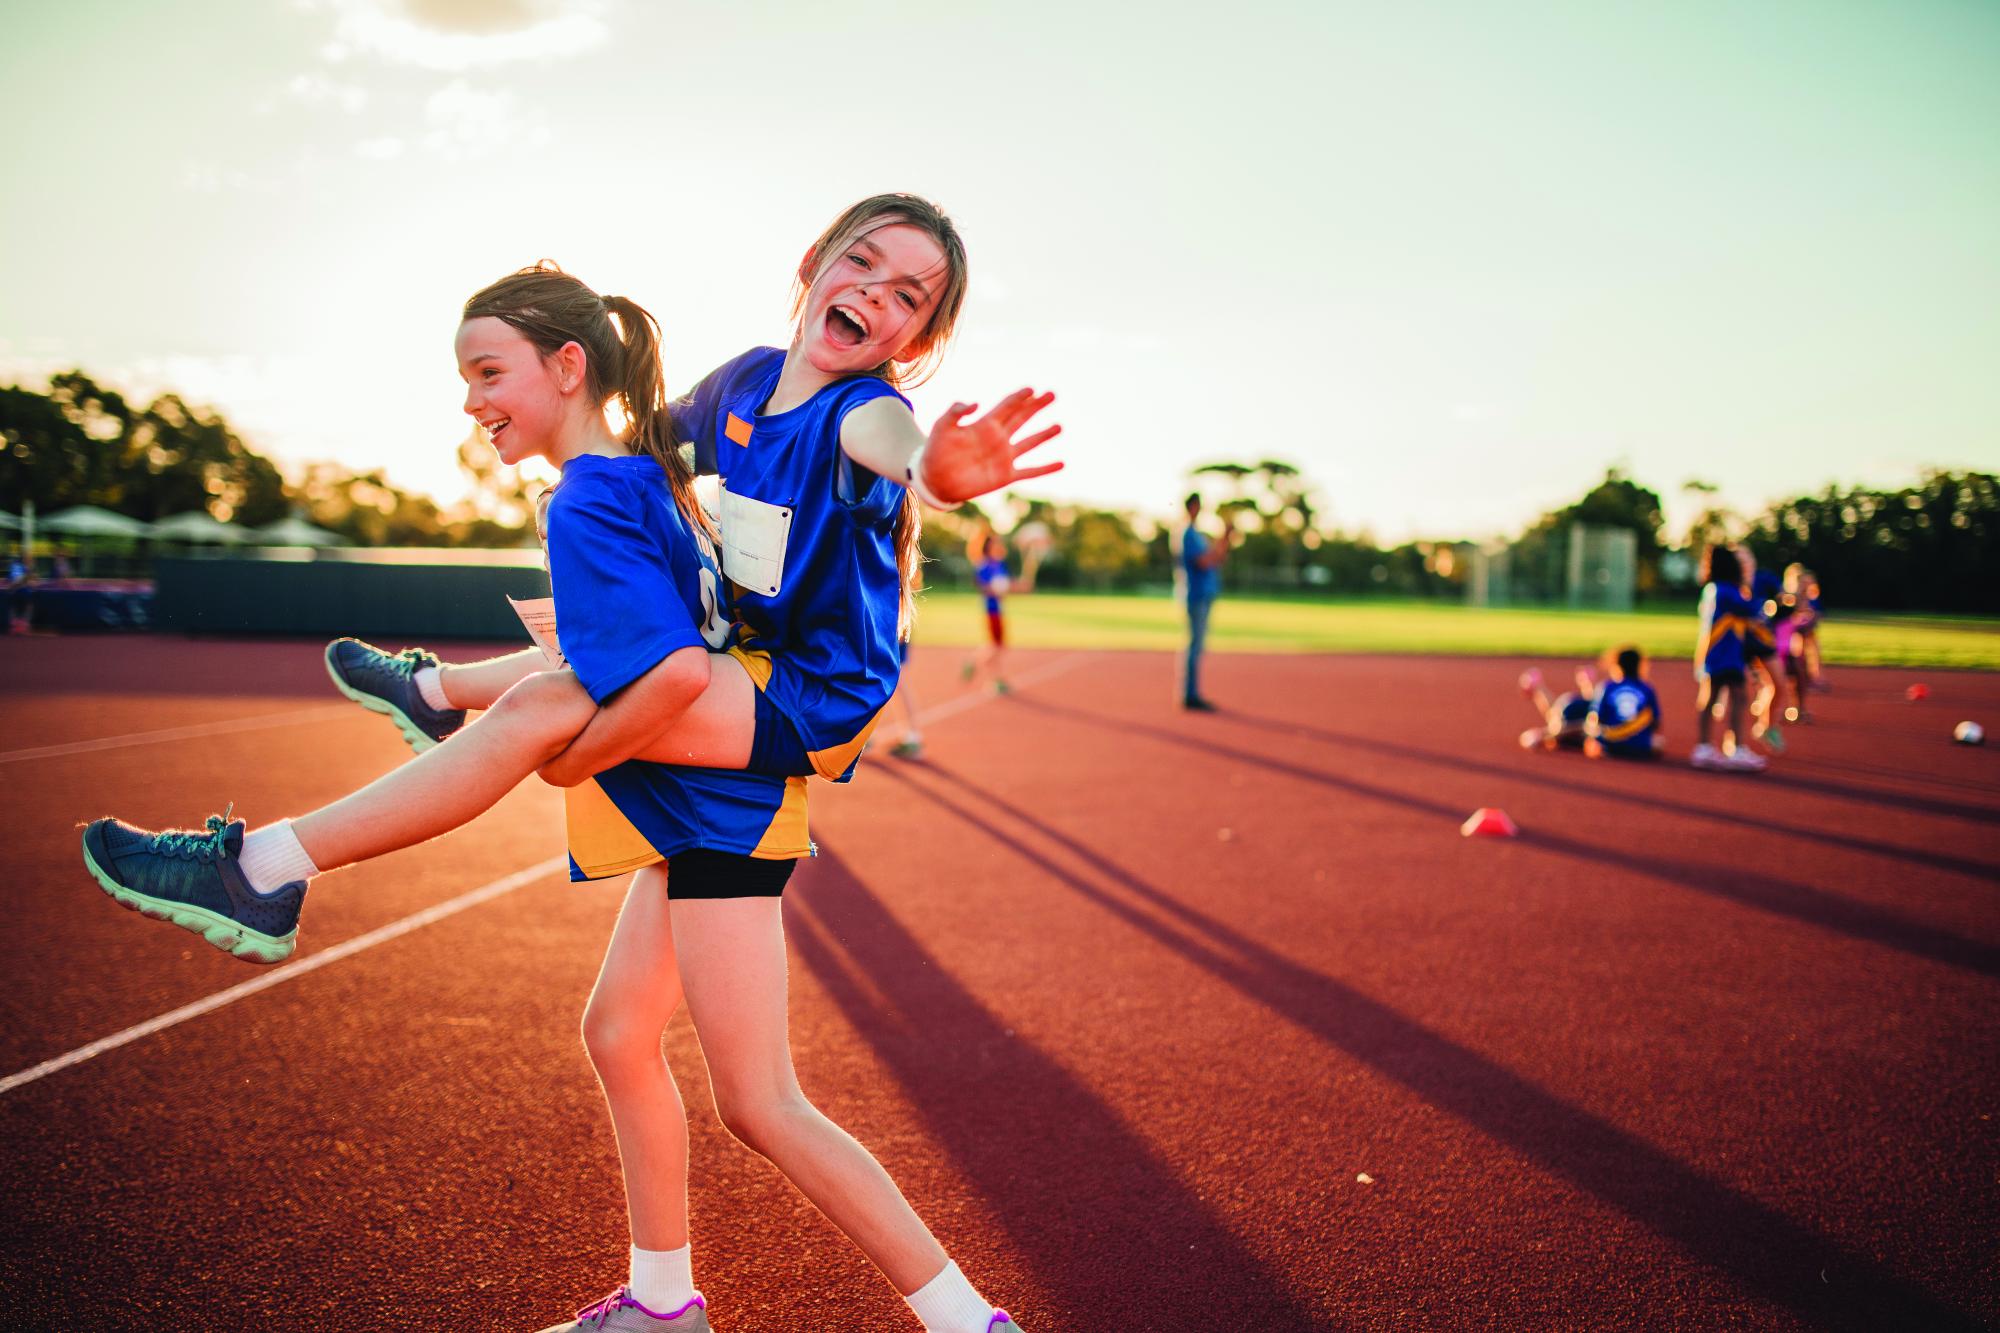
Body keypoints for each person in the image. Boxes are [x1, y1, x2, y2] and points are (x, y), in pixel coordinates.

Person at [89, 196, 1048, 1333]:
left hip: (802, 696)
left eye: (911, 298)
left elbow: (891, 450)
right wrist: (564, 430)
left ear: (918, 339)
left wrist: (938, 471)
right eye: (865, 264)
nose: (878, 298)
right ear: (813, 265)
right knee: (625, 1031)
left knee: (754, 1085)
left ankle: (272, 856)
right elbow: (645, 453)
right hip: (733, 705)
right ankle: (659, 1303)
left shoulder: (865, 414)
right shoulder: (739, 382)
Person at [1690, 544, 1765, 773]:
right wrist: (1749, 584)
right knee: (1738, 698)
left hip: (1714, 652)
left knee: (1710, 698)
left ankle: (1704, 746)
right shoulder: (1728, 590)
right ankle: (1737, 748)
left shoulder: (1712, 589)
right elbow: (1753, 610)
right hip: (1727, 654)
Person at [1174, 492, 1231, 711]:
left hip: (1204, 594)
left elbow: (1217, 559)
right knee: (1194, 645)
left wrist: (1225, 538)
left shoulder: (1198, 534)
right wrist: (1223, 538)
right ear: (1191, 507)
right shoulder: (1187, 533)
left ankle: (1192, 692)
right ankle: (1189, 694)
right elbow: (1205, 562)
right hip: (1195, 595)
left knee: (1198, 645)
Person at [961, 524, 1013, 694]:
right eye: (996, 543)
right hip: (991, 610)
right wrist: (996, 590)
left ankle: (995, 678)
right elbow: (983, 587)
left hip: (999, 609)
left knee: (996, 645)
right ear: (989, 546)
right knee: (997, 645)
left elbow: (1005, 588)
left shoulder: (1000, 564)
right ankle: (978, 664)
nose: (1000, 545)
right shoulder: (984, 566)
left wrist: (1016, 588)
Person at [1516, 664, 1595, 752]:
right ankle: (1585, 681)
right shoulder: (1560, 728)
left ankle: (1585, 681)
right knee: (1553, 717)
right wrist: (1541, 735)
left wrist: (1540, 735)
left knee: (1553, 715)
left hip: (1569, 709)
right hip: (1569, 711)